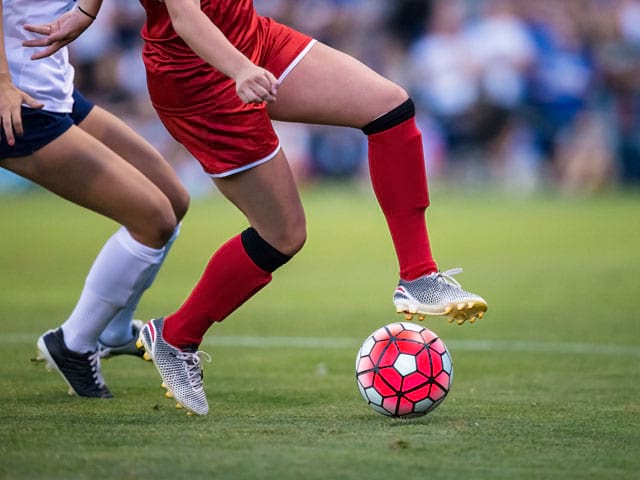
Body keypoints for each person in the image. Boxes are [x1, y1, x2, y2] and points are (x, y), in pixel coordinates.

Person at [28, 0, 487, 415]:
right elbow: (186, 17)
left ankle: (418, 276)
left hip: (249, 36)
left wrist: (87, 11)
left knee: (389, 106)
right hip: (201, 78)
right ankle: (176, 337)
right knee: (283, 235)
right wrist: (241, 70)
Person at [1, 0, 189, 398]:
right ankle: (73, 343)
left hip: (55, 90)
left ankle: (114, 331)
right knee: (152, 218)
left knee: (173, 199)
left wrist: (85, 13)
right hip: (18, 103)